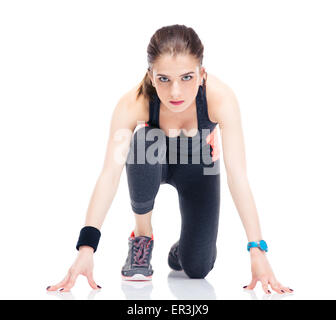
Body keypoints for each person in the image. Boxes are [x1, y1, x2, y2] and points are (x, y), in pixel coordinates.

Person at [47, 24, 294, 294]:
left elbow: (238, 175)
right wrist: (86, 247)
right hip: (151, 160)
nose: (175, 92)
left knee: (198, 267)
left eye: (187, 77)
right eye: (164, 79)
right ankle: (143, 237)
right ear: (151, 76)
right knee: (143, 140)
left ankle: (183, 250)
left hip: (200, 167)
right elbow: (109, 173)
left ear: (202, 74)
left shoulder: (220, 99)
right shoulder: (134, 103)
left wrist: (256, 249)